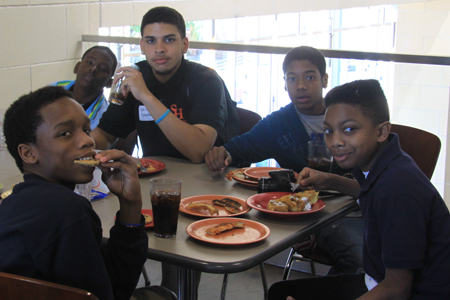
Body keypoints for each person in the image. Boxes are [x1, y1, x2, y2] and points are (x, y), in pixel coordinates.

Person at [269, 79, 450, 300]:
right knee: (280, 292)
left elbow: (397, 289)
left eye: (349, 129)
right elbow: (368, 188)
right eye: (328, 131)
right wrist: (330, 180)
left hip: (410, 292)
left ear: (382, 131)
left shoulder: (397, 190)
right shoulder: (387, 164)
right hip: (375, 279)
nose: (335, 141)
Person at [206, 46, 363, 275]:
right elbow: (242, 147)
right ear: (284, 83)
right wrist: (222, 153)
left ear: (324, 80)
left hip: (357, 208)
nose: (300, 85)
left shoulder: (348, 116)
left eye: (310, 77)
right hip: (311, 215)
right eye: (292, 78)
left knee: (378, 257)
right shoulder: (280, 123)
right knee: (361, 260)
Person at [0, 86, 148, 300]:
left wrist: (130, 204)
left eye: (87, 130)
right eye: (65, 133)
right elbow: (112, 292)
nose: (87, 141)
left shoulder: (14, 204)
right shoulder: (67, 210)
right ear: (28, 153)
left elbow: (106, 280)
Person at [92, 6, 239, 163]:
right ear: (142, 46)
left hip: (206, 178)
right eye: (151, 41)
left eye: (169, 40)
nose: (159, 49)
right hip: (153, 177)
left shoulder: (206, 80)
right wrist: (77, 148)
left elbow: (199, 151)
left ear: (184, 45)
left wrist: (146, 97)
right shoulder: (137, 76)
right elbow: (105, 134)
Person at [50, 46, 118, 129]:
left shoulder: (104, 117)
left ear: (109, 83)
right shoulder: (53, 89)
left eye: (103, 69)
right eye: (89, 62)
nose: (93, 69)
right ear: (77, 67)